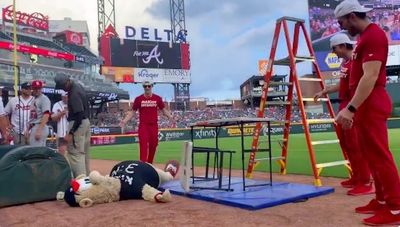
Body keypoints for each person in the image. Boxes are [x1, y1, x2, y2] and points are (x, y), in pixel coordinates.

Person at [334, 0, 400, 225]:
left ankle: (395, 208)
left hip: (370, 102)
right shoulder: (366, 38)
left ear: (352, 16)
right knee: (372, 157)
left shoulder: (373, 36)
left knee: (380, 156)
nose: (342, 27)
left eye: (342, 22)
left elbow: (370, 76)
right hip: (365, 103)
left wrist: (350, 108)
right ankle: (382, 201)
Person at [314, 33, 371, 196]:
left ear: (343, 46)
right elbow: (343, 84)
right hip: (344, 104)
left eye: (334, 48)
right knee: (347, 145)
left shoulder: (356, 61)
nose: (333, 52)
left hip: (352, 105)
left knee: (356, 145)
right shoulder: (345, 63)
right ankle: (357, 177)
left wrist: (353, 109)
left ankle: (366, 182)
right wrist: (325, 90)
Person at [120, 81, 174, 164]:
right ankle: (143, 164)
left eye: (149, 86)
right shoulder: (138, 99)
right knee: (143, 145)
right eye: (145, 86)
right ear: (143, 87)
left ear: (152, 86)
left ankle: (149, 163)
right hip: (143, 126)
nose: (147, 88)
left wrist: (170, 117)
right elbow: (132, 112)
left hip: (153, 126)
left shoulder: (157, 98)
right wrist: (124, 121)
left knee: (154, 145)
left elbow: (163, 110)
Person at [54, 74, 91, 178]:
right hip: (86, 121)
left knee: (75, 154)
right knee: (84, 154)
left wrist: (71, 132)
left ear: (67, 82)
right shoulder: (79, 86)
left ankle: (81, 181)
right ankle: (87, 179)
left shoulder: (74, 92)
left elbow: (79, 114)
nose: (62, 89)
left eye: (62, 86)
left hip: (78, 123)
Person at [28, 80, 51, 146]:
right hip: (34, 126)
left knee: (36, 152)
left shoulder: (44, 98)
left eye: (39, 88)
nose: (37, 90)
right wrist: (28, 129)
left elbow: (46, 115)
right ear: (32, 88)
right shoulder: (34, 99)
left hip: (40, 126)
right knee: (35, 151)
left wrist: (39, 130)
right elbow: (33, 117)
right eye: (35, 88)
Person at [51, 91, 68, 155]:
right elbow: (53, 118)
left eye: (67, 97)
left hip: (72, 133)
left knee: (73, 153)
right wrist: (61, 114)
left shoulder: (74, 103)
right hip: (61, 132)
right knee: (61, 153)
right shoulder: (57, 105)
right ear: (62, 97)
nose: (66, 99)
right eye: (65, 97)